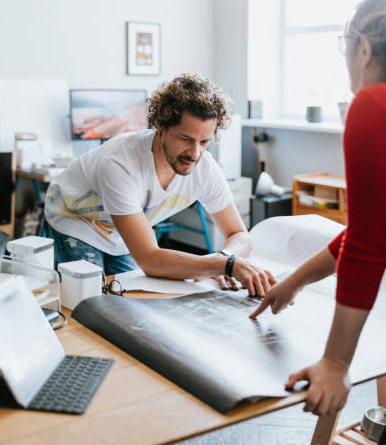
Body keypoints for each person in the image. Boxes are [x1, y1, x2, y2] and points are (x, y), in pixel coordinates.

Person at [250, 0, 386, 424]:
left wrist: (335, 364)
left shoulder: (372, 105)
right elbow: (372, 227)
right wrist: (295, 281)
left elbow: (368, 244)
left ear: (363, 48)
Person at [45, 73, 276, 296]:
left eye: (204, 141)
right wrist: (224, 266)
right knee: (91, 298)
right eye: (185, 139)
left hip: (119, 230)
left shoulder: (205, 168)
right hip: (75, 218)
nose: (195, 153)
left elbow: (239, 234)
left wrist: (227, 257)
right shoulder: (121, 163)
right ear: (159, 125)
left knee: (131, 298)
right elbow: (149, 259)